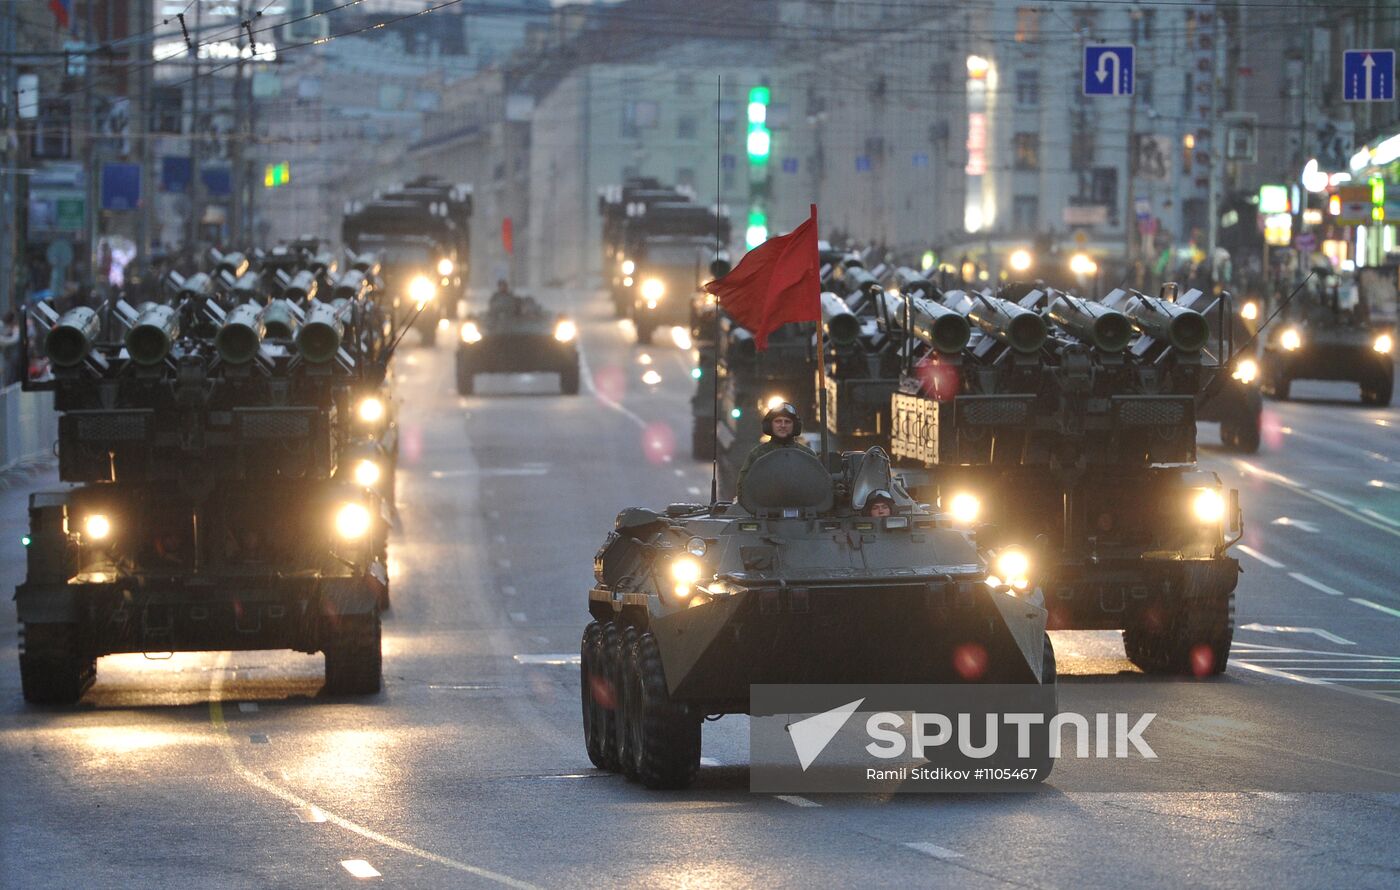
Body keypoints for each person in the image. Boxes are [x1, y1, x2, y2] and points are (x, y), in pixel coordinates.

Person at [736, 402, 814, 499]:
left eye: (787, 422)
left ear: (795, 426)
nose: (782, 425)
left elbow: (817, 485)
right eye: (778, 421)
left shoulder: (807, 455)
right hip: (765, 509)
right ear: (769, 425)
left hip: (802, 508)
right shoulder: (757, 454)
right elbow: (743, 487)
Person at [1, 312, 21, 386]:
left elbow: (13, 340)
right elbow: (12, 340)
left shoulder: (15, 329)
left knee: (11, 377)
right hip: (9, 358)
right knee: (8, 377)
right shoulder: (6, 328)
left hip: (13, 358)